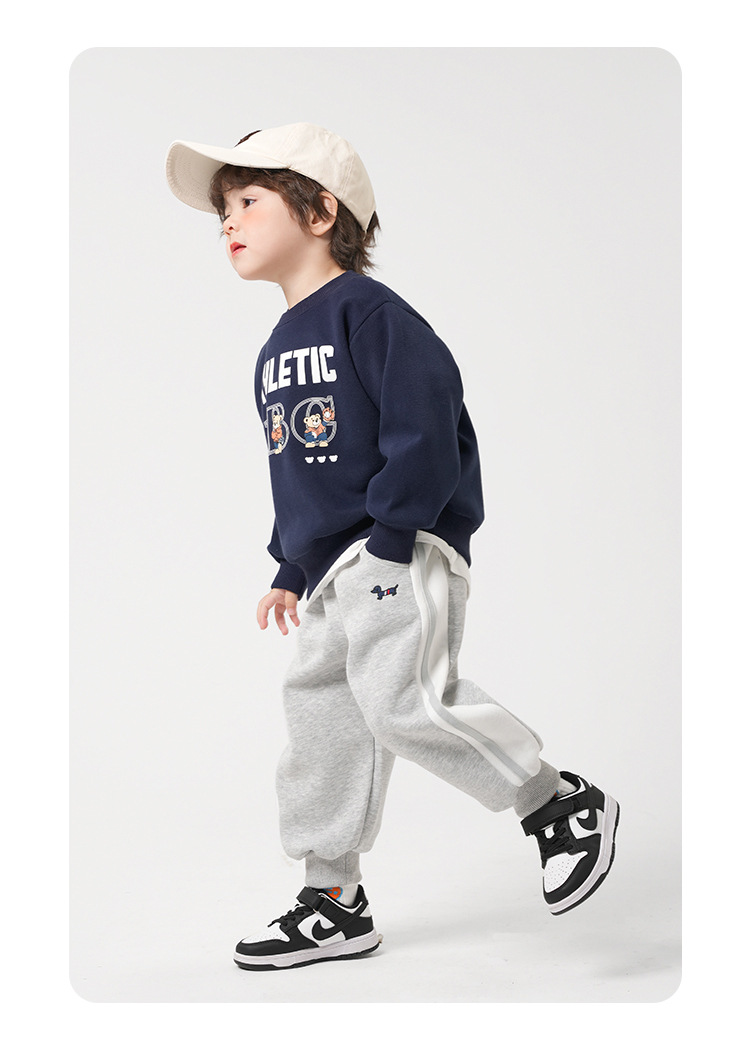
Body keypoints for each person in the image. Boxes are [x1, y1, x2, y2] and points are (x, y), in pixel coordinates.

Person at [165, 123, 620, 972]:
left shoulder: (373, 316)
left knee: (406, 700)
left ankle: (557, 804)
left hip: (395, 552)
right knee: (323, 726)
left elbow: (426, 430)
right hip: (329, 571)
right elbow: (298, 470)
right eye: (223, 209)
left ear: (319, 211)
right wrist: (289, 564)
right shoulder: (275, 348)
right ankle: (332, 897)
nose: (228, 220)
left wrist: (392, 535)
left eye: (249, 200)